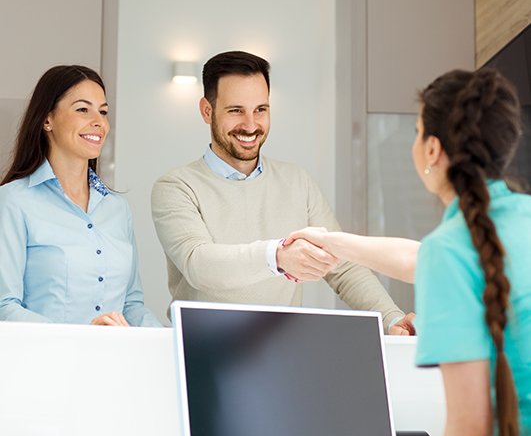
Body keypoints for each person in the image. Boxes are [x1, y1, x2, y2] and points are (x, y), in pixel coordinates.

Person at [287, 68, 531, 436]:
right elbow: (419, 258)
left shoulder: (454, 249)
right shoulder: (512, 225)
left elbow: (473, 422)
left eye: (418, 132)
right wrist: (333, 240)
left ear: (433, 150)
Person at [151, 50, 414, 334]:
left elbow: (343, 266)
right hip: (202, 351)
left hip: (281, 350)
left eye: (260, 109)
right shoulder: (176, 186)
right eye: (236, 110)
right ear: (207, 111)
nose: (251, 125)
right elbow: (199, 264)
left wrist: (391, 318)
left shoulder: (297, 182)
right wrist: (276, 256)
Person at [0, 65, 160, 327]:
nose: (99, 122)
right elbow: (4, 307)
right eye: (83, 109)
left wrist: (169, 341)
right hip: (41, 363)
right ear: (47, 119)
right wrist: (82, 338)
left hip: (112, 363)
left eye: (103, 111)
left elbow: (131, 305)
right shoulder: (13, 201)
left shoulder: (118, 209)